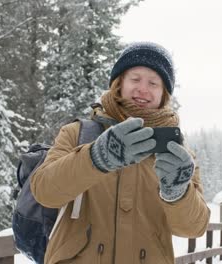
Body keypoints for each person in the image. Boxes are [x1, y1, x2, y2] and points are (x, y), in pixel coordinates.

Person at [31, 42, 210, 264]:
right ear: (119, 83)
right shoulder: (77, 134)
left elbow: (194, 227)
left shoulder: (179, 155)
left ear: (164, 93)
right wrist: (96, 157)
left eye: (153, 83)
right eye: (135, 79)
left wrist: (178, 193)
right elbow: (44, 192)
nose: (143, 89)